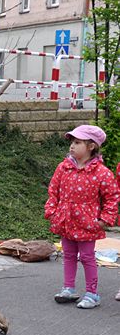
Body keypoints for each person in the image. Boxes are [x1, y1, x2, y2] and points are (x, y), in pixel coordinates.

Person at [45, 125, 119, 309]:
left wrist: (104, 220)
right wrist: (52, 211)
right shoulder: (64, 168)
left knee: (87, 257)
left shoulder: (101, 173)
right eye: (72, 142)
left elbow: (112, 196)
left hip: (88, 223)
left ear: (91, 146)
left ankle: (92, 293)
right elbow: (53, 191)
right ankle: (69, 288)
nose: (72, 146)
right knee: (68, 254)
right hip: (65, 220)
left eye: (77, 142)